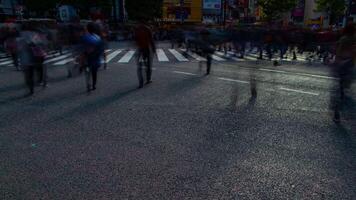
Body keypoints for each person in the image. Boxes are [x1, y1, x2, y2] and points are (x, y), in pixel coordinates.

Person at [331, 24, 356, 123]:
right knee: (345, 89)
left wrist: (336, 63)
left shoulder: (344, 39)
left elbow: (339, 51)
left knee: (340, 90)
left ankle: (337, 111)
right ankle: (344, 109)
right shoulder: (353, 39)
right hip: (350, 65)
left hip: (342, 64)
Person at [81, 22, 104, 92]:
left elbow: (83, 49)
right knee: (94, 72)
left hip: (88, 57)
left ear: (87, 29)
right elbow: (101, 49)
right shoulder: (98, 37)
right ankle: (94, 85)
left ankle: (88, 84)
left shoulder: (85, 37)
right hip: (96, 58)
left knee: (88, 72)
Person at [134, 21, 156, 88]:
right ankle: (148, 79)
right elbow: (151, 40)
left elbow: (135, 39)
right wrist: (154, 48)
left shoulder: (137, 29)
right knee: (148, 65)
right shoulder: (148, 29)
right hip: (146, 49)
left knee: (139, 66)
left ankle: (141, 82)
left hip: (139, 49)